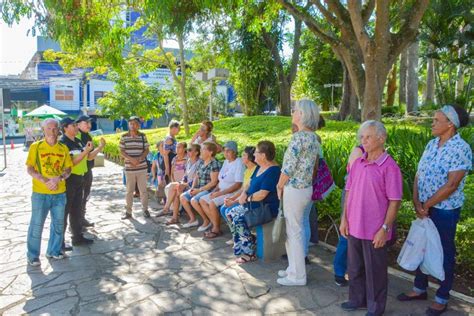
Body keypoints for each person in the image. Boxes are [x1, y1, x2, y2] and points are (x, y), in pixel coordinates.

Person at [397, 105, 472, 316]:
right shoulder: (432, 144)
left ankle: (442, 297)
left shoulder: (461, 148)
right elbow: (419, 174)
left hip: (444, 210)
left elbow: (452, 185)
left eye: (437, 120)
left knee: (444, 251)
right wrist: (416, 202)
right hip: (424, 207)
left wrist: (426, 205)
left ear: (450, 124)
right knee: (422, 246)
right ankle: (419, 288)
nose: (432, 123)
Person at [339, 120, 402, 316]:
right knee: (355, 267)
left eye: (368, 137)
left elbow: (394, 201)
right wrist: (344, 219)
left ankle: (375, 307)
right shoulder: (357, 163)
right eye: (362, 137)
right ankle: (357, 299)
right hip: (354, 226)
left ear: (381, 138)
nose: (363, 140)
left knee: (375, 272)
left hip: (375, 230)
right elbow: (348, 191)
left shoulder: (390, 167)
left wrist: (384, 228)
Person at [276, 99, 320, 287]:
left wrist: (279, 186)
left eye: (295, 111)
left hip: (294, 189)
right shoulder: (313, 137)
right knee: (296, 231)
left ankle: (297, 276)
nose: (292, 113)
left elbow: (288, 167)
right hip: (306, 189)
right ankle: (293, 269)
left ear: (302, 114)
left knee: (293, 232)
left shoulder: (299, 137)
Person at [25, 118, 73, 266]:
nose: (52, 132)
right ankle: (32, 255)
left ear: (58, 130)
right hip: (41, 193)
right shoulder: (36, 147)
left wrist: (59, 178)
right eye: (49, 128)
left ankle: (54, 251)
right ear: (43, 129)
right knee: (37, 224)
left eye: (54, 129)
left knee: (58, 224)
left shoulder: (63, 148)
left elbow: (68, 168)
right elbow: (30, 168)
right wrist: (46, 180)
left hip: (60, 193)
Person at [227, 141, 280, 264]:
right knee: (230, 213)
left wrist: (247, 198)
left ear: (263, 155)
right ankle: (245, 241)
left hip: (265, 207)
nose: (254, 155)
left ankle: (249, 253)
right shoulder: (260, 167)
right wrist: (244, 193)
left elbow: (262, 194)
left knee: (238, 217)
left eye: (256, 153)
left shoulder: (273, 171)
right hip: (252, 203)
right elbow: (249, 183)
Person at [60, 117, 95, 247]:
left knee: (77, 209)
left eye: (76, 125)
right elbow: (70, 163)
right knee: (65, 210)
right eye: (73, 125)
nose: (76, 127)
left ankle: (77, 237)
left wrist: (97, 148)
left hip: (80, 178)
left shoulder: (78, 141)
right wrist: (85, 151)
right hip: (69, 180)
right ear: (65, 128)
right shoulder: (63, 143)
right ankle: (60, 242)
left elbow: (88, 157)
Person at [333, 143, 364, 287]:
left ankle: (355, 272)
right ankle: (339, 272)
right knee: (346, 234)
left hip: (366, 197)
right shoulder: (359, 151)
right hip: (353, 194)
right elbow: (352, 177)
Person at [199, 141, 244, 238]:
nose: (225, 153)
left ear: (234, 152)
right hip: (221, 190)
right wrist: (215, 190)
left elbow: (238, 184)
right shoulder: (226, 162)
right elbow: (221, 179)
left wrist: (219, 194)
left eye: (228, 151)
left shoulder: (239, 162)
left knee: (212, 203)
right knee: (202, 200)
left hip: (231, 192)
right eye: (224, 151)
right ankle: (215, 223)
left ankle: (216, 229)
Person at [179, 142, 220, 228]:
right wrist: (192, 188)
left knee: (194, 200)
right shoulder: (201, 162)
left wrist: (198, 190)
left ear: (210, 152)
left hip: (209, 189)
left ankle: (206, 220)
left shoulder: (214, 163)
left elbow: (214, 182)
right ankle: (193, 219)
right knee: (183, 197)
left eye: (203, 149)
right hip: (199, 188)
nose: (200, 151)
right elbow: (196, 176)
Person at [76, 115, 106, 228]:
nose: (89, 125)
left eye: (89, 122)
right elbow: (88, 156)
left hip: (87, 170)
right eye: (85, 122)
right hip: (79, 171)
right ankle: (76, 222)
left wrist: (99, 148)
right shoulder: (77, 136)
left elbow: (90, 156)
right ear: (78, 124)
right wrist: (100, 147)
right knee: (79, 197)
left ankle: (81, 218)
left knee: (85, 195)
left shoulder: (87, 136)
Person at [120, 116, 150, 219]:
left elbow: (147, 149)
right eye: (131, 124)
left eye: (135, 124)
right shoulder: (124, 136)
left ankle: (145, 210)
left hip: (142, 168)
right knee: (129, 191)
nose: (133, 126)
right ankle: (128, 212)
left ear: (139, 125)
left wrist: (140, 158)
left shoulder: (143, 136)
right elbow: (121, 151)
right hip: (129, 168)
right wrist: (131, 159)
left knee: (143, 191)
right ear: (128, 125)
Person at [165, 144, 201, 225]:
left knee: (177, 190)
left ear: (196, 152)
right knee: (174, 186)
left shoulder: (199, 163)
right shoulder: (189, 161)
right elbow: (185, 176)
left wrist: (184, 185)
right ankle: (172, 215)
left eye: (190, 150)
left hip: (195, 187)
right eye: (188, 150)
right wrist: (182, 182)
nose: (188, 151)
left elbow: (197, 179)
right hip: (187, 185)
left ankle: (169, 211)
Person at [156, 142, 188, 216]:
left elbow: (187, 174)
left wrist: (180, 182)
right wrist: (173, 181)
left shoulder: (187, 158)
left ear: (184, 149)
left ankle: (170, 209)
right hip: (176, 181)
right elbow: (172, 172)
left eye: (179, 147)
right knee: (167, 188)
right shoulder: (174, 158)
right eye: (176, 147)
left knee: (173, 188)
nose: (177, 149)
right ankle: (172, 209)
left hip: (184, 182)